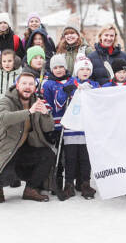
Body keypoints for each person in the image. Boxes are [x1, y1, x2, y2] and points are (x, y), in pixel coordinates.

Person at [0, 72, 55, 203]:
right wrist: (29, 112)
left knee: (48, 155)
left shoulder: (36, 101)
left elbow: (48, 128)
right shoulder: (6, 100)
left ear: (35, 88)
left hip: (23, 150)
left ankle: (31, 189)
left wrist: (46, 114)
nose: (27, 87)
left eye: (31, 84)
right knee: (7, 176)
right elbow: (4, 118)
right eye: (24, 83)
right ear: (17, 86)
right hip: (5, 150)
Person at [56, 54, 100, 199]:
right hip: (71, 127)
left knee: (85, 157)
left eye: (88, 69)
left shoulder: (94, 85)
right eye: (82, 69)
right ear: (77, 71)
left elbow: (100, 103)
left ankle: (84, 183)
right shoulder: (70, 83)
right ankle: (68, 183)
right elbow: (59, 103)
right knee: (70, 157)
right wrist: (65, 92)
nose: (85, 71)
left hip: (87, 128)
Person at [42, 54, 72, 192]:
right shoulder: (48, 84)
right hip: (56, 125)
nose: (59, 70)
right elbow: (50, 104)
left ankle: (70, 182)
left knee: (70, 155)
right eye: (55, 67)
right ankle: (56, 180)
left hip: (70, 125)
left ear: (65, 68)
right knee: (58, 156)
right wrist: (49, 126)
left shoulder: (72, 81)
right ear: (51, 69)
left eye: (61, 67)